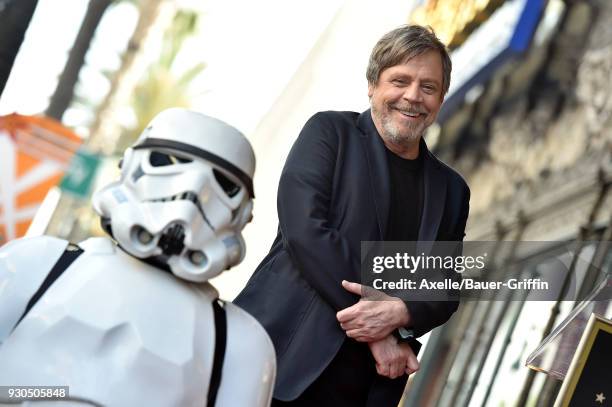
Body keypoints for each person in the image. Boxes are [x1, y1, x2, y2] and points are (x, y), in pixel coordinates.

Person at [234, 25, 470, 406]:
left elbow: (443, 287)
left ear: (440, 99)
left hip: (364, 389)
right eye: (400, 80)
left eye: (428, 87)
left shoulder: (453, 190)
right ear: (373, 85)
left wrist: (405, 311)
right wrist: (380, 332)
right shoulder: (330, 133)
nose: (413, 96)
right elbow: (306, 232)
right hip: (276, 358)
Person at [0, 109, 276, 406]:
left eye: (222, 184)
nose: (193, 192)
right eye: (168, 164)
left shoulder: (241, 344)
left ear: (244, 213)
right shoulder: (36, 263)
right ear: (129, 166)